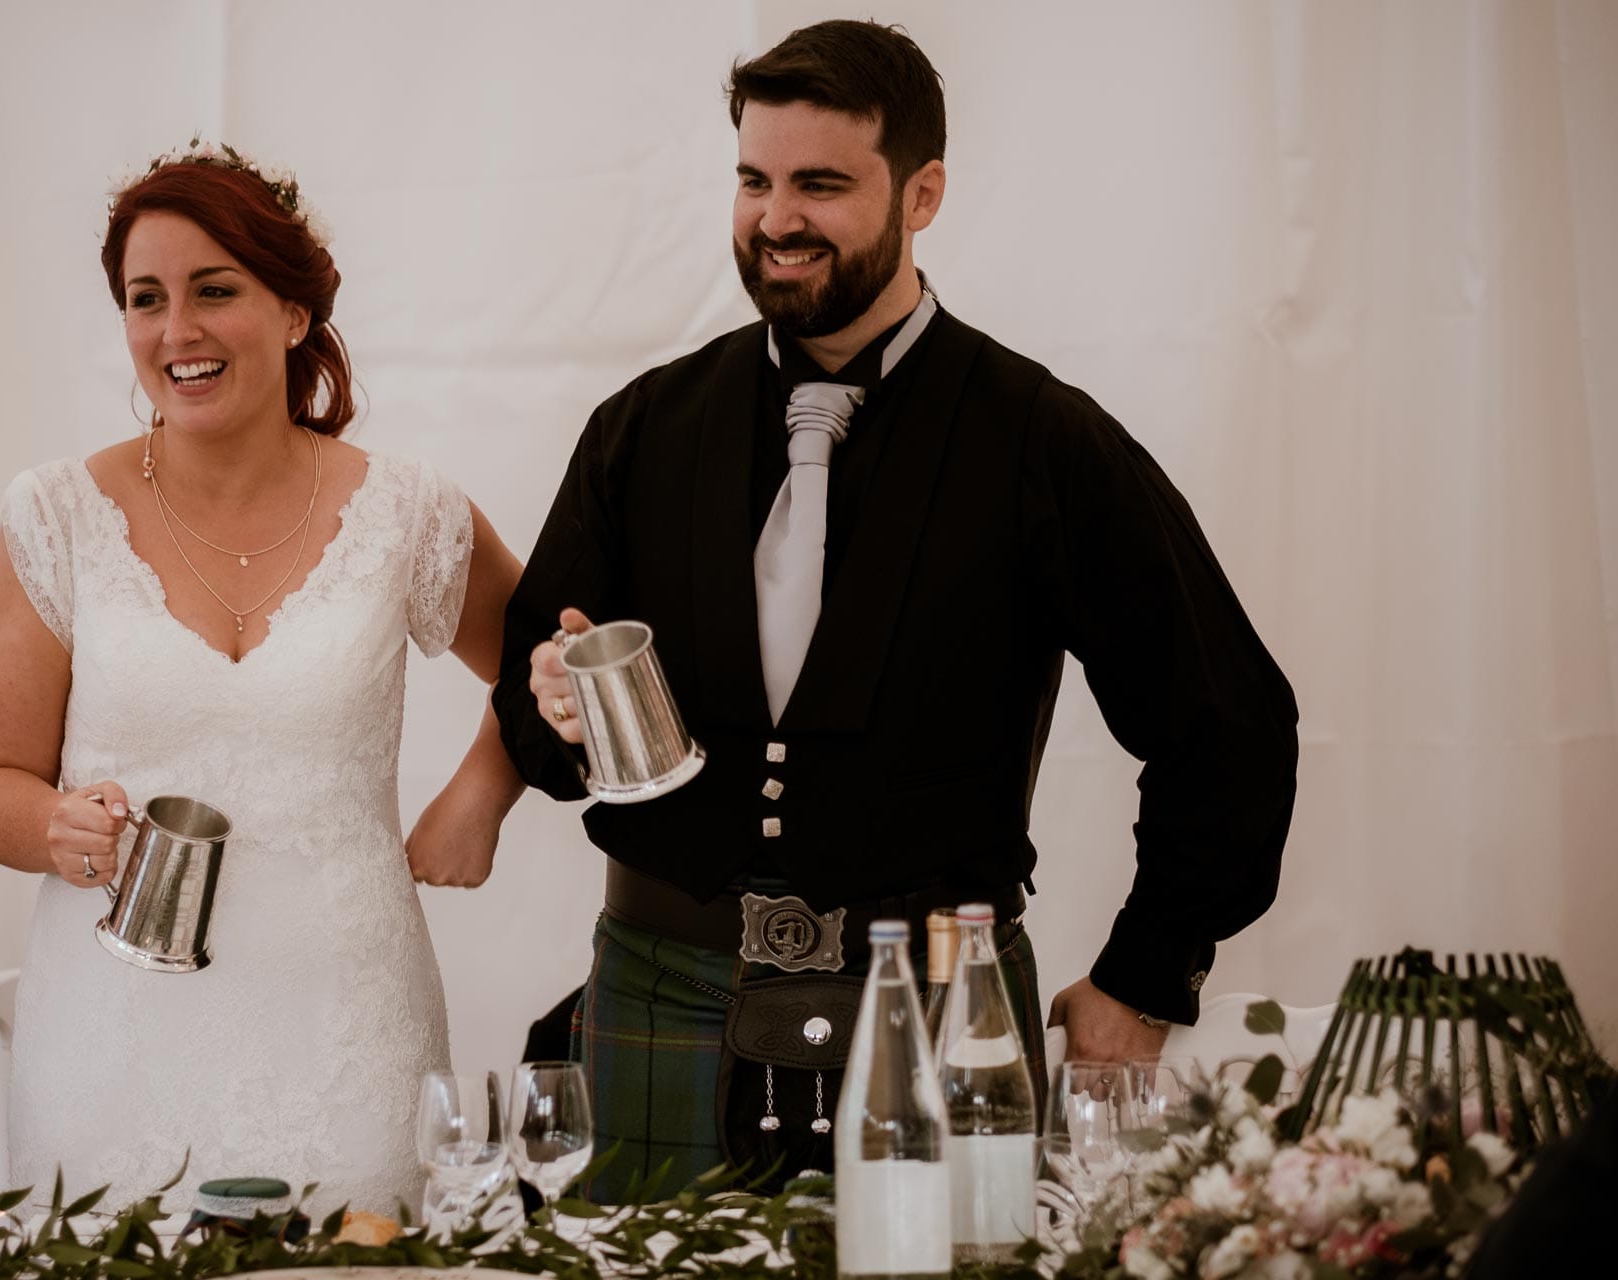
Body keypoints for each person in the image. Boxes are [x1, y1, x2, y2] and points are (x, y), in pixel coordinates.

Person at [490, 20, 1300, 1195]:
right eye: (754, 179)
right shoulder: (643, 427)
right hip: (659, 985)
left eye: (821, 184)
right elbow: (539, 719)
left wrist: (1144, 972)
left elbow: (1224, 721)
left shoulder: (1040, 439)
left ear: (920, 193)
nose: (775, 219)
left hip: (941, 1004)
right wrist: (548, 712)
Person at [0, 142, 524, 1211]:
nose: (177, 332)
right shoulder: (53, 517)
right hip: (111, 1037)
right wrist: (53, 827)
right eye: (145, 299)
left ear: (294, 311)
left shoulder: (408, 512)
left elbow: (550, 665)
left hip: (350, 1027)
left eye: (215, 290)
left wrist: (479, 791)